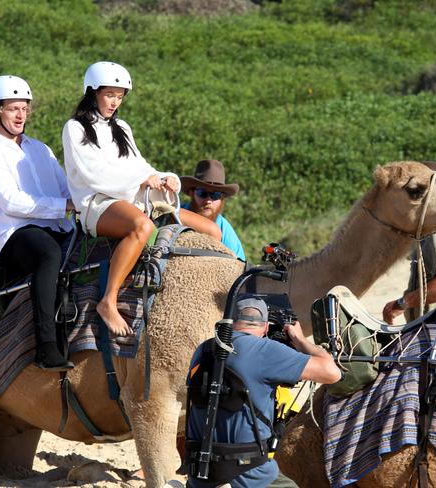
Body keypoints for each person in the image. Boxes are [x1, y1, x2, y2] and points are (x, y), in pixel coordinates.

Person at [62, 61, 221, 337]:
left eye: (120, 96)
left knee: (211, 230)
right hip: (97, 204)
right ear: (92, 92)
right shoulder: (75, 128)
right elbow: (93, 175)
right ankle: (108, 301)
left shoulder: (121, 127)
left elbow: (141, 167)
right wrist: (141, 181)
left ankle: (193, 294)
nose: (115, 102)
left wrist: (166, 177)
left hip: (136, 199)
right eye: (110, 94)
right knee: (142, 227)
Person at [0, 75, 75, 371]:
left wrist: (84, 202)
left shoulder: (41, 149)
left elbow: (65, 188)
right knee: (48, 253)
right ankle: (46, 348)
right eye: (13, 108)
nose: (20, 115)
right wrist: (64, 206)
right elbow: (11, 202)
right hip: (16, 234)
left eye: (25, 109)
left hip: (56, 227)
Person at [185, 296, 342, 488]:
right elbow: (332, 373)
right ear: (266, 327)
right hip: (247, 473)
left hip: (199, 473)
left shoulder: (203, 349)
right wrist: (299, 339)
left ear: (232, 322)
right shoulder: (265, 350)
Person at [180, 159, 246, 261]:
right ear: (192, 193)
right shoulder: (174, 213)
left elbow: (240, 268)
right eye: (202, 193)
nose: (208, 200)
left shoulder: (225, 231)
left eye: (215, 195)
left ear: (222, 198)